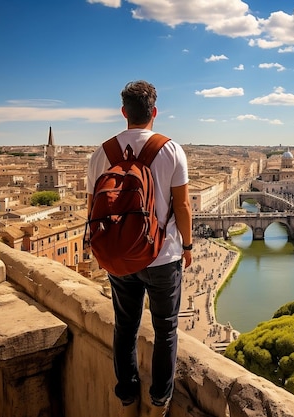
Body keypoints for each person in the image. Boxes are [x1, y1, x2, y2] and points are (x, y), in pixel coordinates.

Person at [86, 80, 192, 416]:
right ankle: (160, 398)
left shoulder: (101, 153)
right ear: (154, 112)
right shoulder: (171, 150)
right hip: (164, 254)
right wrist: (187, 245)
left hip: (120, 256)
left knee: (125, 325)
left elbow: (92, 207)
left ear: (123, 113)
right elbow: (184, 206)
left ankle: (126, 391)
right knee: (165, 329)